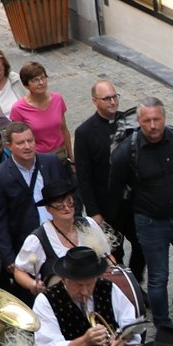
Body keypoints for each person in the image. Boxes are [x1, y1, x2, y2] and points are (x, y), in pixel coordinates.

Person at [107, 98, 173, 331]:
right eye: (147, 120)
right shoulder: (126, 152)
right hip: (150, 223)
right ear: (139, 122)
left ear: (164, 119)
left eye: (156, 119)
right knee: (158, 277)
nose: (152, 125)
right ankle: (163, 326)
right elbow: (116, 189)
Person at [0, 120, 69, 276]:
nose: (27, 146)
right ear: (9, 146)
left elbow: (68, 195)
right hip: (27, 246)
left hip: (59, 238)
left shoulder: (51, 162)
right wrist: (9, 258)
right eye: (21, 143)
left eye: (30, 141)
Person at [74, 80, 139, 277]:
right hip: (107, 206)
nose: (112, 102)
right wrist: (93, 212)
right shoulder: (85, 133)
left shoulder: (130, 122)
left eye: (114, 97)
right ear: (95, 101)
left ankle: (135, 279)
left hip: (133, 202)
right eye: (107, 98)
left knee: (142, 244)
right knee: (113, 250)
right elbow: (84, 177)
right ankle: (123, 284)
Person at [12, 180, 86, 297]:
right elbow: (19, 271)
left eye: (70, 202)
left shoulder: (88, 225)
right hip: (60, 299)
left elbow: (106, 256)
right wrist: (32, 284)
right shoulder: (38, 239)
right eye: (59, 205)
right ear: (48, 209)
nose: (66, 208)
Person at [8, 61, 67, 154]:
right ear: (26, 85)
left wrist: (71, 156)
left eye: (43, 78)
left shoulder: (57, 99)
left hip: (61, 153)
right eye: (35, 80)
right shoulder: (18, 109)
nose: (41, 82)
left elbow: (64, 129)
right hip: (38, 157)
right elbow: (18, 139)